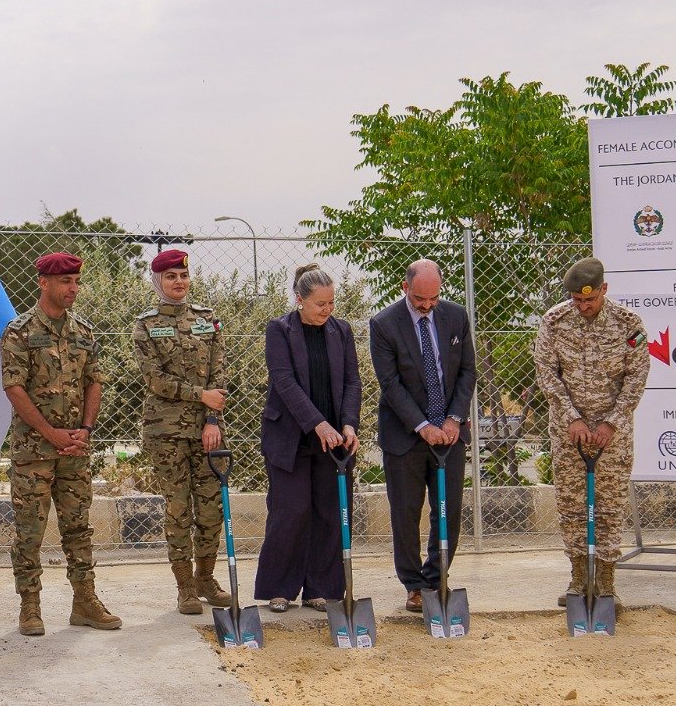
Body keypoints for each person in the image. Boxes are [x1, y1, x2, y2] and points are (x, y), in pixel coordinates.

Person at [1, 251, 121, 636]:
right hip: (34, 452)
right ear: (44, 283)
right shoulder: (19, 331)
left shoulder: (83, 331)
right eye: (65, 282)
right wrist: (51, 433)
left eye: (76, 282)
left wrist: (85, 429)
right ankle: (30, 606)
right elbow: (14, 387)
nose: (73, 289)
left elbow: (95, 381)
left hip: (75, 451)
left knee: (78, 527)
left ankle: (85, 602)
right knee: (30, 531)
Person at [533, 257, 649, 609]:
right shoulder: (554, 321)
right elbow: (547, 374)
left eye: (590, 300)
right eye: (577, 301)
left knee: (610, 508)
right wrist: (572, 419)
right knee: (571, 506)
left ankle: (607, 584)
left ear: (604, 290)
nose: (583, 307)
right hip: (570, 435)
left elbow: (637, 375)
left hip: (612, 437)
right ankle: (579, 579)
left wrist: (612, 421)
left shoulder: (628, 323)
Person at [368, 258, 477, 613]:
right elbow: (390, 385)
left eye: (433, 298)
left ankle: (436, 577)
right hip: (406, 437)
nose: (427, 305)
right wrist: (423, 426)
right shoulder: (384, 324)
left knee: (449, 511)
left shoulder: (456, 316)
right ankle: (413, 585)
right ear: (405, 288)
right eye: (419, 299)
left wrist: (453, 419)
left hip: (450, 433)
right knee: (406, 513)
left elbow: (466, 372)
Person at [254, 264, 362, 613]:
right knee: (291, 511)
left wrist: (347, 424)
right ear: (299, 300)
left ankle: (321, 588)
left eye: (331, 302)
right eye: (320, 304)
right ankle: (280, 588)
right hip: (290, 438)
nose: (327, 310)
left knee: (329, 513)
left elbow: (351, 382)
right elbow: (284, 382)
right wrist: (318, 423)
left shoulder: (341, 331)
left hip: (334, 442)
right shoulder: (280, 330)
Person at [132, 249, 230, 615]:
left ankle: (206, 578)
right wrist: (198, 395)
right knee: (177, 510)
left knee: (210, 509)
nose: (178, 282)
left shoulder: (209, 320)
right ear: (157, 281)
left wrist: (212, 418)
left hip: (208, 431)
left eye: (183, 276)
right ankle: (185, 586)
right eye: (170, 276)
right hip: (167, 432)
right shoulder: (146, 324)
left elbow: (219, 373)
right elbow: (155, 379)